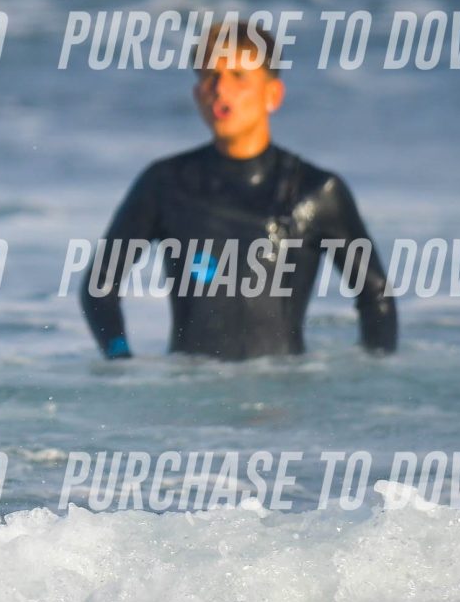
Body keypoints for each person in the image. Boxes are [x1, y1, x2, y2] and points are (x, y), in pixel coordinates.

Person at [78, 19, 396, 361]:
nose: (220, 88)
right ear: (197, 93)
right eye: (209, 75)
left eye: (238, 76)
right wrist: (120, 358)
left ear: (272, 95)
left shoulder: (315, 192)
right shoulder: (165, 184)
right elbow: (99, 287)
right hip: (188, 388)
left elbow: (376, 297)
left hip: (283, 389)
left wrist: (371, 383)